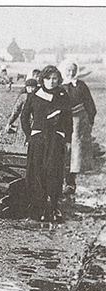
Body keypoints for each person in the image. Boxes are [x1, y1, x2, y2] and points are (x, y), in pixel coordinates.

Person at [20, 65, 72, 222]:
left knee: (53, 172)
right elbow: (24, 117)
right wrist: (31, 134)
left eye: (55, 78)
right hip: (38, 141)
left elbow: (68, 120)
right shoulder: (35, 95)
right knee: (37, 173)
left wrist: (67, 139)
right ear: (42, 79)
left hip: (55, 141)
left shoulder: (63, 96)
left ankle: (53, 207)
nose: (51, 82)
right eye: (48, 78)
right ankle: (38, 207)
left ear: (59, 80)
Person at [60, 62, 97, 194]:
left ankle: (70, 183)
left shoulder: (81, 85)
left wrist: (88, 122)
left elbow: (89, 104)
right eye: (68, 70)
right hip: (62, 121)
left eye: (73, 70)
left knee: (74, 152)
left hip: (78, 122)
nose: (71, 73)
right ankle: (58, 182)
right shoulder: (58, 85)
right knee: (61, 150)